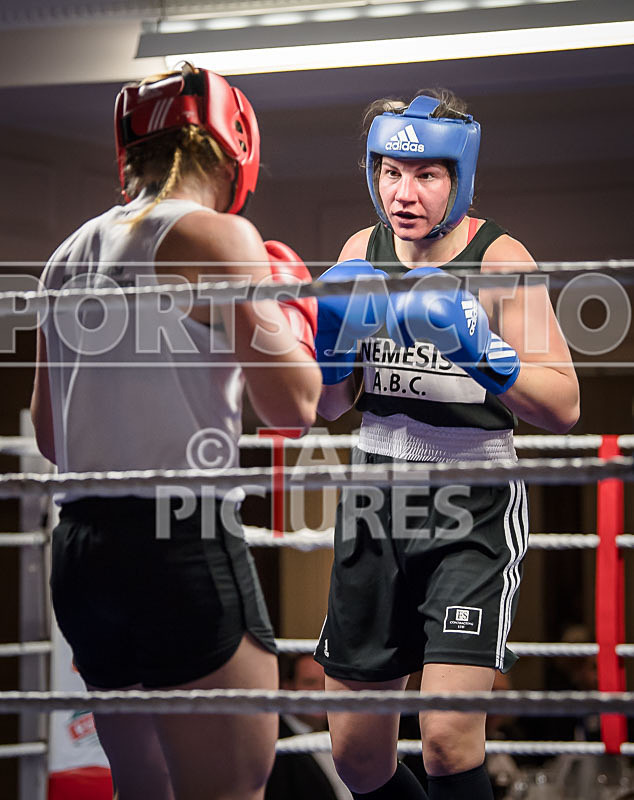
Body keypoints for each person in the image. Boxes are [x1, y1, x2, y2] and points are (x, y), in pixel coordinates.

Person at [30, 63, 322, 800]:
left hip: (83, 550)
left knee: (143, 788)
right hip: (178, 542)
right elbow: (293, 407)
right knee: (230, 789)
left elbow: (49, 436)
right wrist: (292, 316)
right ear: (233, 150)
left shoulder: (64, 258)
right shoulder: (221, 237)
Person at [313, 89, 580, 800]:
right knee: (355, 756)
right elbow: (332, 407)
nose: (405, 194)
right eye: (391, 172)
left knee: (447, 742)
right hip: (376, 496)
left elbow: (565, 404)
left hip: (473, 504)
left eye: (427, 174)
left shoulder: (500, 259)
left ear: (459, 177)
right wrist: (330, 358)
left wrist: (484, 354)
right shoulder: (359, 253)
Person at [265, 654, 352, 800]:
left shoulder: (343, 735)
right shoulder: (274, 744)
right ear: (288, 689)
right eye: (310, 683)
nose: (320, 691)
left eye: (326, 684)